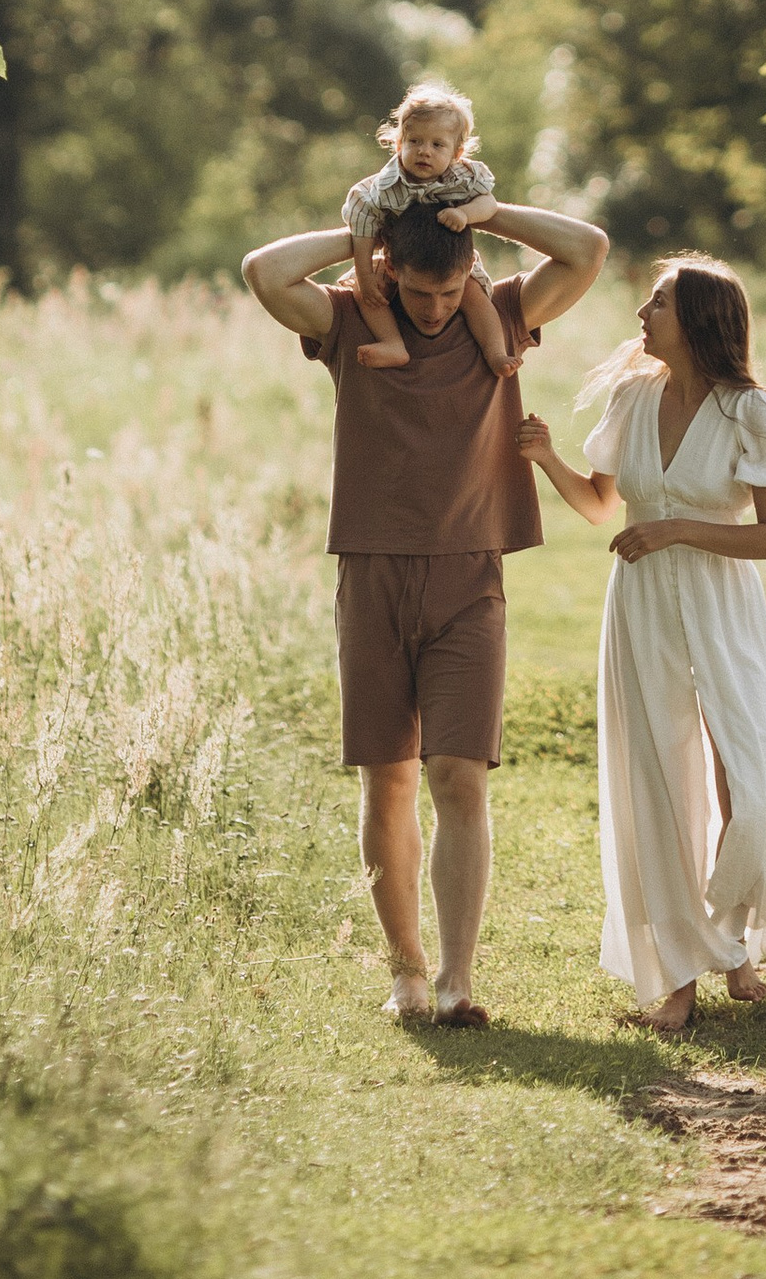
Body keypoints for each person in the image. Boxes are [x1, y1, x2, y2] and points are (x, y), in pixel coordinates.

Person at [243, 176, 609, 1023]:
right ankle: (406, 971)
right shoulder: (347, 320)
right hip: (371, 570)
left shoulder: (504, 315)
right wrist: (366, 237)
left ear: (473, 272)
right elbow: (264, 272)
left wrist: (484, 215)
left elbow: (587, 251)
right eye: (419, 289)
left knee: (458, 775)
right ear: (391, 272)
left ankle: (457, 980)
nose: (438, 307)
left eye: (451, 289)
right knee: (389, 780)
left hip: (470, 572)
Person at [520, 253, 766, 1033]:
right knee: (659, 783)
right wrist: (547, 459)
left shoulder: (750, 412)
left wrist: (678, 528)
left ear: (700, 321)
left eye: (660, 302)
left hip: (723, 608)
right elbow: (599, 506)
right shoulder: (633, 397)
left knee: (744, 781)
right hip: (641, 608)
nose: (642, 313)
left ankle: (735, 939)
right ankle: (680, 978)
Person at [342, 77, 508, 374]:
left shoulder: (462, 178)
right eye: (414, 141)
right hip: (398, 262)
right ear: (398, 144)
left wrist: (466, 214)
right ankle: (393, 343)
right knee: (365, 291)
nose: (424, 151)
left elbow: (490, 205)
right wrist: (365, 274)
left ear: (457, 153)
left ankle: (496, 353)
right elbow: (363, 226)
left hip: (450, 264)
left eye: (437, 144)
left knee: (473, 295)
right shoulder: (382, 188)